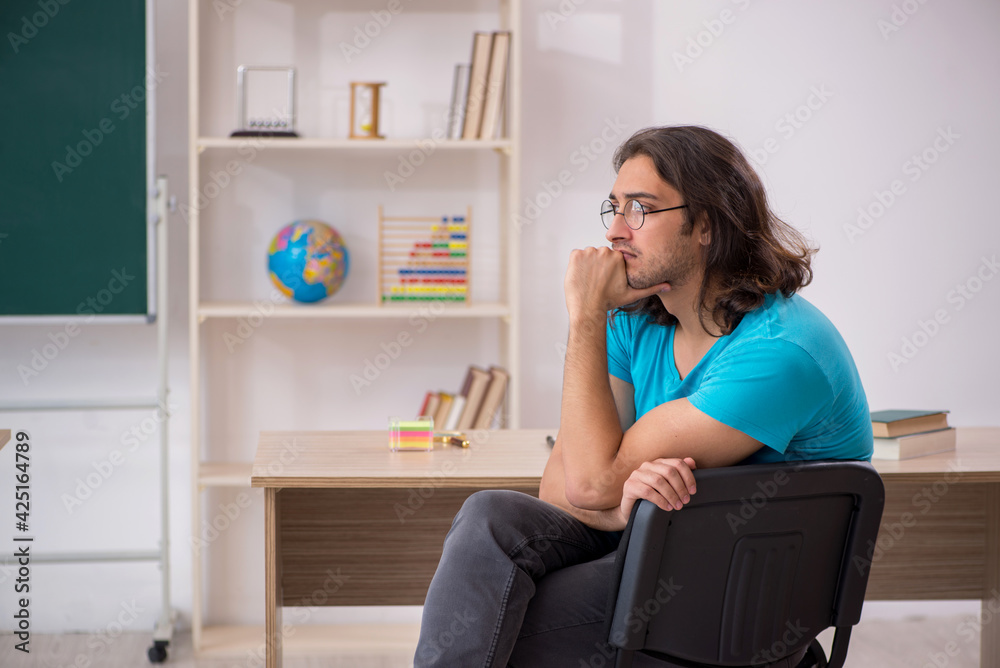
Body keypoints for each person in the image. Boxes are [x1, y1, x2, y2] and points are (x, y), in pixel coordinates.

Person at [413, 125, 873, 667]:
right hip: (648, 547)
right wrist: (621, 510)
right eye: (614, 209)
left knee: (486, 621)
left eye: (640, 209)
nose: (615, 233)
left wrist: (584, 315)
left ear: (705, 224)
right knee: (489, 515)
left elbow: (587, 482)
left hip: (740, 592)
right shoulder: (635, 322)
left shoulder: (780, 352)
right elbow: (562, 487)